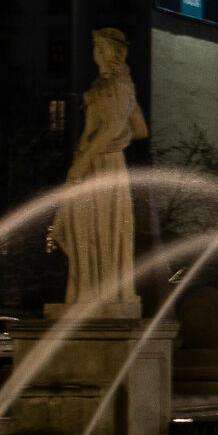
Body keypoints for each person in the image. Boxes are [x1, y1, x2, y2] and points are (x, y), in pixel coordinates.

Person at [53, 28, 149, 314]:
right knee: (104, 228)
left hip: (97, 164)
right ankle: (108, 292)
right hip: (113, 165)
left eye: (98, 46)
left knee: (91, 228)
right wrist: (119, 134)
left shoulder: (109, 84)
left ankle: (88, 293)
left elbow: (109, 128)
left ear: (108, 51)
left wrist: (82, 161)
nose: (95, 52)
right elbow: (141, 129)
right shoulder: (125, 86)